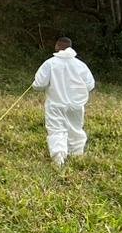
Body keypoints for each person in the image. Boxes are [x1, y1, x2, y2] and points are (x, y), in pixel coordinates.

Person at [32, 36, 95, 167]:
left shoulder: (50, 63)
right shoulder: (80, 65)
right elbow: (90, 85)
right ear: (70, 47)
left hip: (56, 105)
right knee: (75, 129)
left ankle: (59, 159)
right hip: (76, 105)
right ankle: (77, 156)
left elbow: (38, 84)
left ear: (57, 46)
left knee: (56, 130)